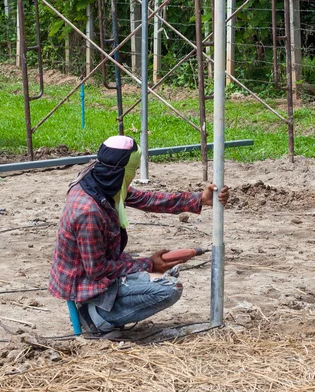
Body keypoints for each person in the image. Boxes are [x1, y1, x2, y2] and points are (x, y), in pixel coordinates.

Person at [49, 135, 229, 335]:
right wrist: (149, 264)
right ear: (122, 172)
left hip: (97, 270)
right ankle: (95, 318)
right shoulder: (88, 212)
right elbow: (97, 270)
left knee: (167, 275)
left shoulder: (100, 179)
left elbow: (147, 199)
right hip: (84, 283)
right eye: (132, 171)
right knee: (168, 289)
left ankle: (104, 310)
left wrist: (199, 199)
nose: (133, 177)